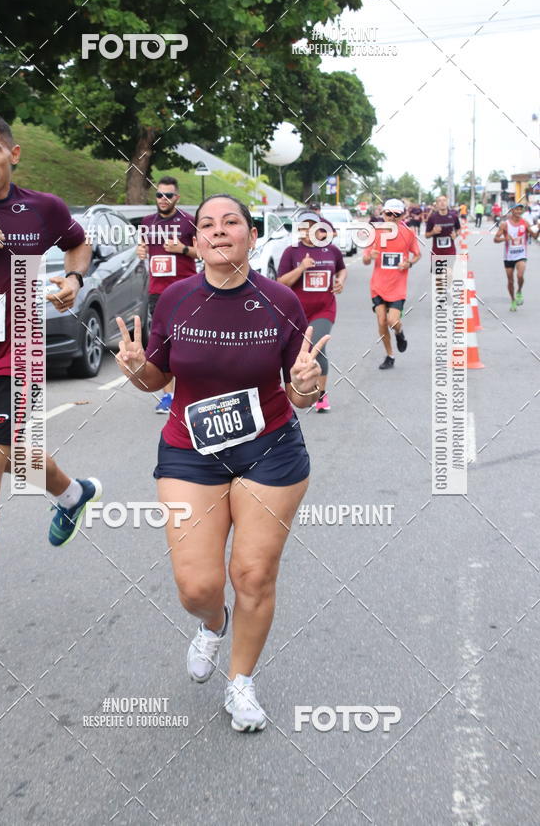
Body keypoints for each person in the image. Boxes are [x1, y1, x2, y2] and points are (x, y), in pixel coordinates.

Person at [116, 194, 328, 732]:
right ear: (196, 240)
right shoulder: (176, 300)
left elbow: (301, 389)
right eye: (206, 224)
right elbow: (155, 381)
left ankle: (240, 682)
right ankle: (213, 624)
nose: (217, 231)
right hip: (191, 451)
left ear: (252, 236)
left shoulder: (281, 300)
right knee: (197, 587)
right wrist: (137, 368)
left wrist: (306, 386)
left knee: (253, 573)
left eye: (230, 222)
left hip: (271, 449)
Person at [0, 112, 101, 659]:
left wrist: (73, 280)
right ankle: (72, 492)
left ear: (14, 154)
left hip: (19, 356)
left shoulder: (43, 208)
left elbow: (80, 245)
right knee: (22, 459)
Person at [136, 176, 197, 414]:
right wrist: (140, 250)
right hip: (158, 292)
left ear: (177, 197)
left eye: (168, 195)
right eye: (159, 195)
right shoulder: (147, 222)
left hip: (185, 290)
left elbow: (202, 252)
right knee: (163, 343)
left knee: (188, 342)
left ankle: (190, 391)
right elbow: (143, 248)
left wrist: (181, 249)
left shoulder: (188, 222)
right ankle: (168, 396)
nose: (163, 199)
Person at [277, 210, 346, 412]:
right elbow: (282, 282)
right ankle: (295, 389)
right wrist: (301, 268)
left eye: (312, 225)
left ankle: (321, 395)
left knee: (318, 347)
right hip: (297, 312)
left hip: (324, 309)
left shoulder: (331, 250)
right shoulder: (291, 251)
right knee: (295, 352)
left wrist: (340, 281)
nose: (308, 230)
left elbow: (342, 269)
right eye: (303, 226)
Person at [363, 198, 421, 370]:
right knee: (382, 321)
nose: (392, 217)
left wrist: (409, 263)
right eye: (389, 214)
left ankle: (399, 332)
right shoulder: (375, 233)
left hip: (398, 286)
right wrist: (369, 257)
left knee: (392, 321)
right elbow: (365, 260)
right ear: (383, 214)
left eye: (396, 214)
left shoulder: (408, 233)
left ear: (402, 215)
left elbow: (417, 254)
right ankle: (390, 355)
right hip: (378, 286)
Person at [494, 202, 536, 311]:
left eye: (520, 210)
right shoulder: (505, 224)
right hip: (508, 257)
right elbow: (495, 239)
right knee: (510, 281)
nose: (519, 212)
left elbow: (535, 236)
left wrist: (539, 228)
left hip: (521, 254)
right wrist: (505, 239)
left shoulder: (525, 223)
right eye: (517, 209)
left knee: (520, 275)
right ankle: (513, 300)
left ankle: (519, 291)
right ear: (512, 210)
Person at [425, 195, 460, 265]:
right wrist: (433, 232)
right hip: (437, 252)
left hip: (450, 251)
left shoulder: (454, 216)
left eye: (444, 200)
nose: (442, 202)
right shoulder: (432, 218)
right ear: (437, 205)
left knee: (449, 274)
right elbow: (426, 235)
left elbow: (458, 229)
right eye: (439, 201)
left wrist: (456, 234)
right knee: (439, 275)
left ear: (447, 203)